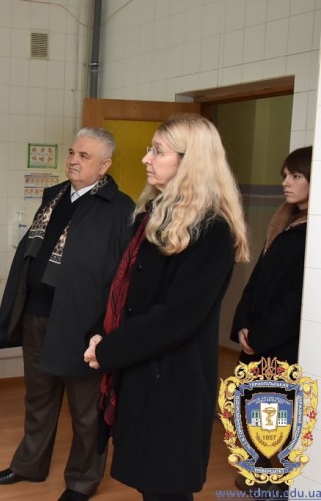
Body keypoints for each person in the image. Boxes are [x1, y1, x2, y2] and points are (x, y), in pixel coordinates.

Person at [83, 114, 250, 500]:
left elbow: (176, 317)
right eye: (150, 149)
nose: (146, 158)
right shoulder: (154, 214)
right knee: (150, 485)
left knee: (166, 488)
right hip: (143, 372)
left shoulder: (212, 230)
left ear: (191, 161)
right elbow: (124, 289)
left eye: (158, 151)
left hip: (173, 383)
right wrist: (98, 331)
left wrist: (108, 349)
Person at [0, 128, 134, 501]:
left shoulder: (119, 208)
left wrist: (105, 327)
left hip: (83, 324)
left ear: (104, 165)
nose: (73, 160)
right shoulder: (54, 195)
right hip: (36, 314)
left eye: (84, 156)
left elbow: (122, 275)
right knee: (38, 398)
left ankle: (82, 481)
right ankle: (29, 466)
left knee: (86, 410)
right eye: (72, 152)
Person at [231, 146, 312, 366]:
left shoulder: (313, 232)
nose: (286, 182)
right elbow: (257, 278)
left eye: (296, 176)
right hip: (256, 336)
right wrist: (243, 324)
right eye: (285, 176)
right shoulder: (282, 221)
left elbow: (298, 297)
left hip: (282, 345)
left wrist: (259, 336)